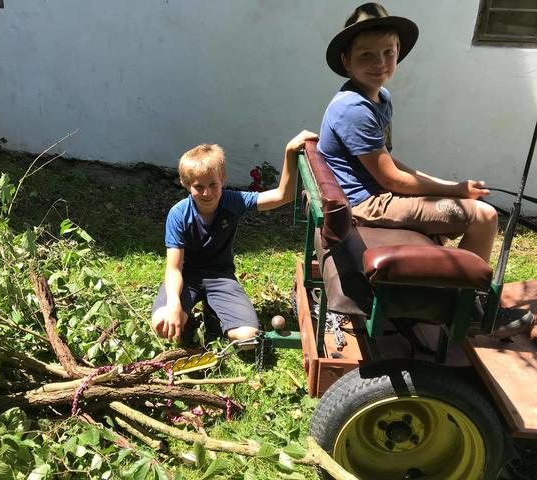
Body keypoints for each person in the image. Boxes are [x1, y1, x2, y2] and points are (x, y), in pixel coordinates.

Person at [318, 2, 533, 335]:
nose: (379, 63)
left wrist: (448, 184)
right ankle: (469, 311)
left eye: (388, 52)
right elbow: (389, 178)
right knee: (484, 216)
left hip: (376, 194)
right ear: (346, 61)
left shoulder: (378, 98)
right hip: (364, 204)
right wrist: (453, 190)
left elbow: (389, 162)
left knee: (473, 208)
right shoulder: (353, 109)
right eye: (366, 55)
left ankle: (451, 296)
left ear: (398, 53)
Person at [152, 130, 318, 344]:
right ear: (186, 184)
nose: (207, 193)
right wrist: (174, 303)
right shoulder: (178, 214)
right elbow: (174, 268)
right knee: (162, 325)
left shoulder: (234, 201)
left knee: (247, 339)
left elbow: (282, 195)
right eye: (198, 187)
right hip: (187, 277)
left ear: (223, 179)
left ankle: (214, 315)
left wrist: (289, 152)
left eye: (213, 184)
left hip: (220, 277)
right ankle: (194, 318)